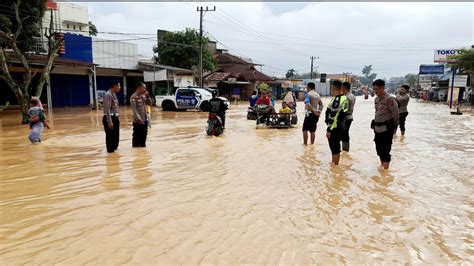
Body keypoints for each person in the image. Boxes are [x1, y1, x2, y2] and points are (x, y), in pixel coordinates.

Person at [372, 79, 399, 169]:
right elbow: (377, 112)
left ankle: (385, 171)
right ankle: (382, 166)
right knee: (379, 150)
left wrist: (395, 126)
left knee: (385, 151)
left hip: (387, 129)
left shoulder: (389, 99)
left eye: (377, 89)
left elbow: (395, 113)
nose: (375, 91)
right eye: (374, 89)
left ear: (382, 87)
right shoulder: (376, 99)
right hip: (377, 128)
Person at [325, 80, 349, 165]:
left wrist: (329, 129)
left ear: (334, 88)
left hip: (334, 127)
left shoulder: (338, 99)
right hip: (338, 126)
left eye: (331, 88)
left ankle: (335, 167)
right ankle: (335, 167)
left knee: (335, 149)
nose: (331, 90)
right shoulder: (341, 98)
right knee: (335, 148)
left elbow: (334, 117)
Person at [131, 82, 152, 148]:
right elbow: (135, 110)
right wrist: (139, 119)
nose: (145, 89)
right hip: (138, 122)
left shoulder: (143, 96)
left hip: (145, 120)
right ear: (139, 88)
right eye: (144, 88)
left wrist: (148, 96)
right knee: (136, 140)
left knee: (143, 140)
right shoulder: (133, 97)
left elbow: (150, 104)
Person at [103, 81, 121, 153]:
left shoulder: (114, 94)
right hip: (110, 118)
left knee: (116, 136)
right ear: (114, 86)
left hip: (115, 117)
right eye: (119, 86)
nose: (120, 87)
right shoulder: (108, 94)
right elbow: (107, 109)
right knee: (110, 137)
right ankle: (110, 153)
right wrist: (109, 121)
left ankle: (114, 155)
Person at [341, 81, 356, 152]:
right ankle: (345, 151)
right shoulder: (352, 95)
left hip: (346, 117)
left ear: (344, 88)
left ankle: (345, 150)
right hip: (350, 116)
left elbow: (344, 110)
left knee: (344, 134)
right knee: (345, 133)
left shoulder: (346, 97)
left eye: (342, 88)